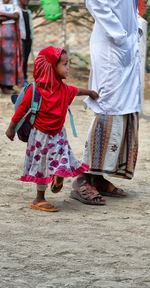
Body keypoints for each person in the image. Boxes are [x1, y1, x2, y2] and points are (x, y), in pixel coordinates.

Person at [5, 46, 105, 212]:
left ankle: (58, 176)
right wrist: (11, 129)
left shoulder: (63, 89)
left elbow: (77, 90)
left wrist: (90, 92)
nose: (68, 68)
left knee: (63, 157)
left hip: (58, 135)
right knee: (41, 167)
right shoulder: (35, 90)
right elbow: (21, 110)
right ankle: (39, 199)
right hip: (39, 138)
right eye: (65, 64)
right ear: (52, 66)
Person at [71, 0, 142, 204]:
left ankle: (98, 177)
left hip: (126, 43)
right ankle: (83, 178)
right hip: (112, 45)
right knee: (108, 107)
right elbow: (96, 2)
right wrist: (120, 35)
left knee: (125, 108)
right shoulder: (117, 37)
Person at [0, 0, 23, 94]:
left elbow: (17, 16)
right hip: (2, 37)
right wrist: (11, 16)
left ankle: (9, 85)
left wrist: (3, 14)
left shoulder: (14, 3)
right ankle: (3, 85)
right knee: (2, 60)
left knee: (11, 61)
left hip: (13, 37)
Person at [18, 0, 33, 86]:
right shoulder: (17, 11)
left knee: (26, 59)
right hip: (21, 39)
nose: (26, 1)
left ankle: (24, 79)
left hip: (28, 39)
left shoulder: (28, 12)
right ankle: (21, 79)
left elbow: (30, 26)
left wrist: (32, 37)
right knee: (21, 60)